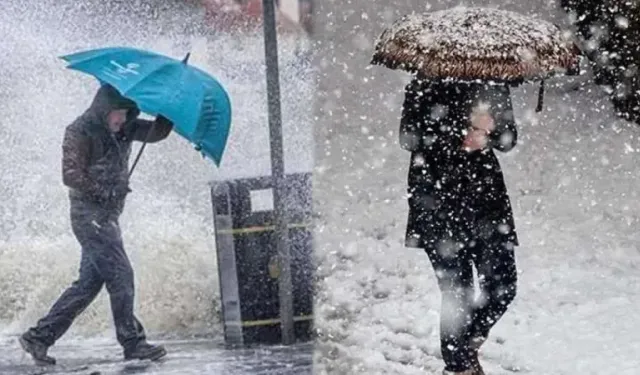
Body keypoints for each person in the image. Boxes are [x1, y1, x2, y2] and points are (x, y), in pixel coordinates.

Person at [19, 84, 174, 365]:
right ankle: (133, 342)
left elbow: (156, 133)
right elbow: (70, 175)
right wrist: (104, 192)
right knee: (122, 275)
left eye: (128, 114)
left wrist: (169, 111)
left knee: (88, 285)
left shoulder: (125, 127)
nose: (122, 121)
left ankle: (38, 337)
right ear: (104, 109)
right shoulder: (79, 131)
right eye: (118, 114)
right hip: (88, 216)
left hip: (108, 217)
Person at [399, 77, 519, 375]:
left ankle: (464, 348)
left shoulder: (492, 80)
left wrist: (489, 134)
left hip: (486, 203)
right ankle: (458, 366)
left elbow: (509, 138)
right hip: (438, 201)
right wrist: (461, 131)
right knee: (458, 293)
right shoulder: (424, 83)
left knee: (503, 285)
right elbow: (409, 138)